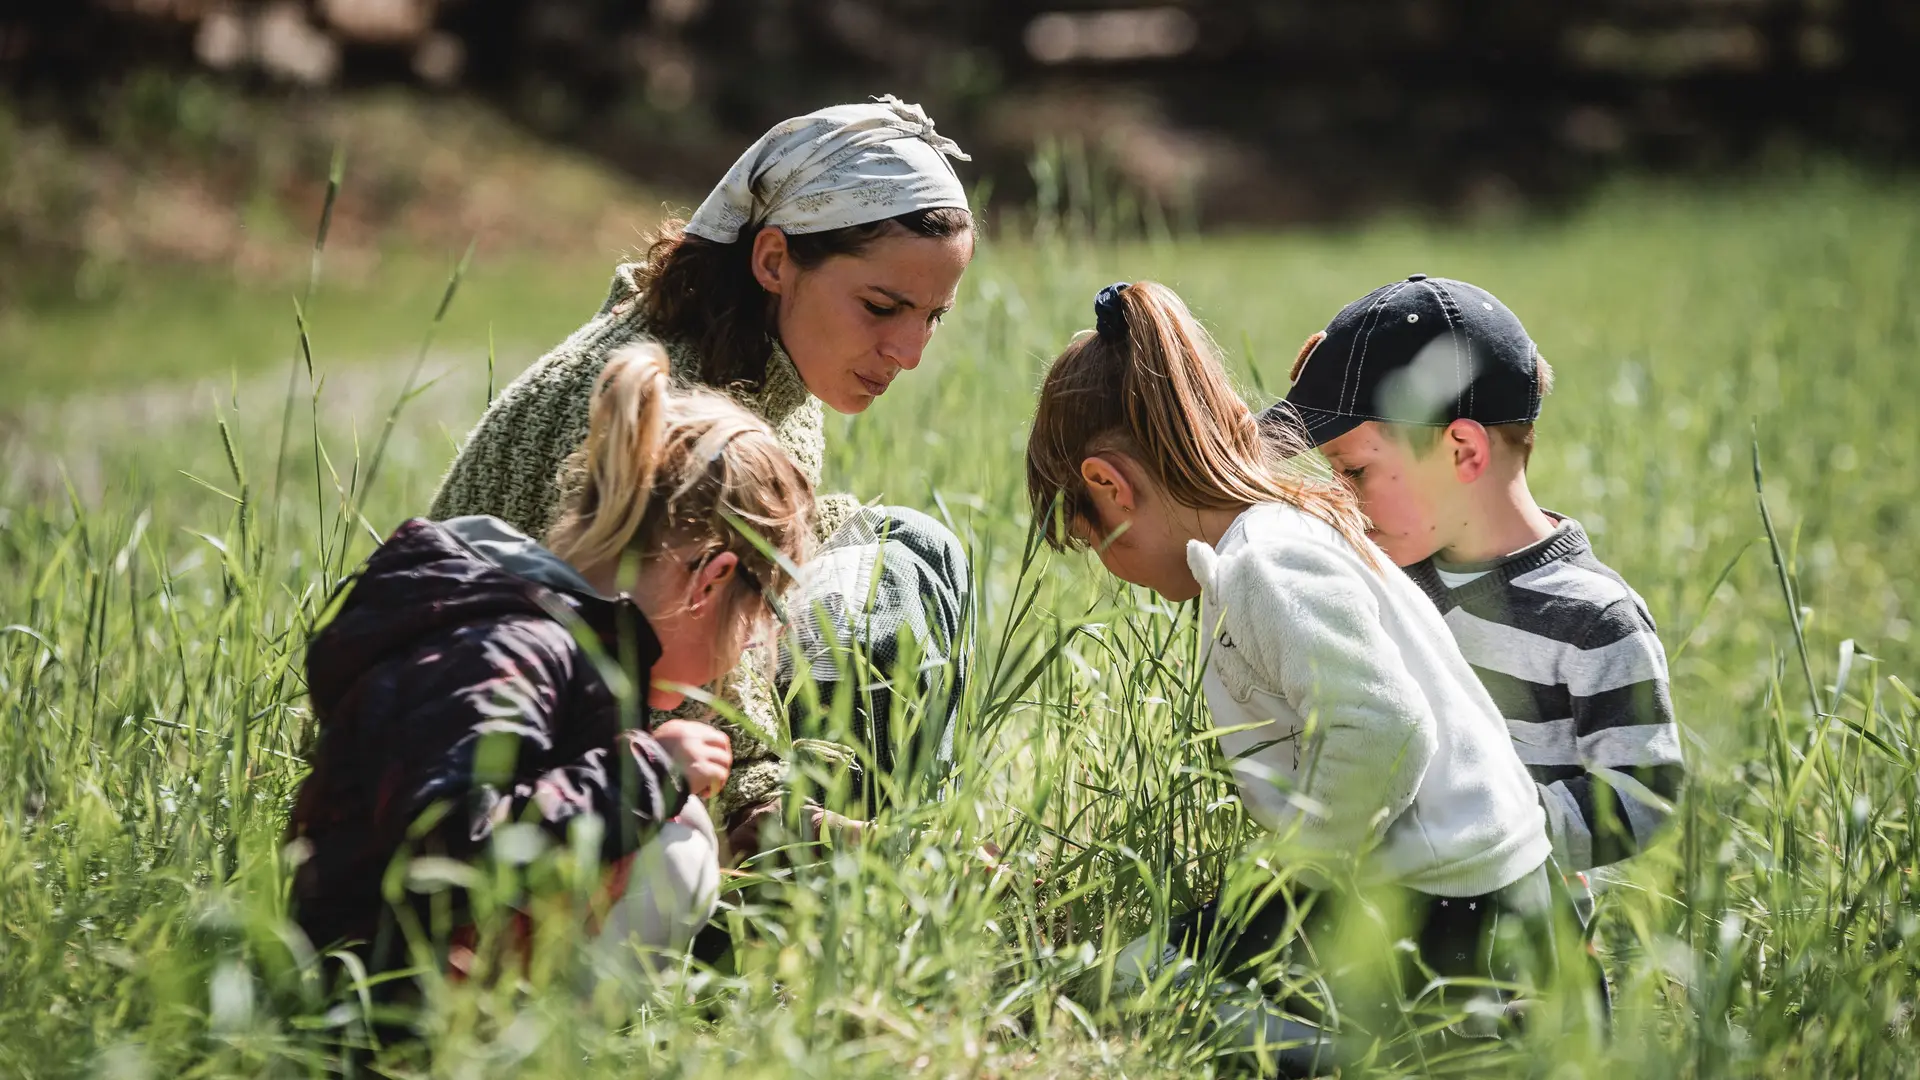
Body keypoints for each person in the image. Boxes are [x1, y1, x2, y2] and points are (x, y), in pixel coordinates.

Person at [1025, 282, 1576, 1065]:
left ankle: (1363, 1057)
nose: (1115, 571)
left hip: (1452, 907)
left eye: (1093, 539)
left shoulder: (1267, 559)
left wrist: (1299, 874)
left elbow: (1385, 729)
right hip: (1488, 893)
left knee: (1139, 992)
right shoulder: (1281, 535)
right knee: (1145, 973)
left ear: (1110, 486)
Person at [426, 95, 976, 857]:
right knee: (886, 571)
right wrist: (777, 813)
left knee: (908, 544)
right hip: (523, 785)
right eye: (883, 306)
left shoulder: (755, 358)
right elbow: (696, 669)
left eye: (931, 317)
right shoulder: (686, 415)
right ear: (775, 260)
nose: (909, 351)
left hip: (633, 722)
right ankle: (840, 874)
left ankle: (900, 846)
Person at [287, 344, 814, 1018]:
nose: (752, 648)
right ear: (711, 581)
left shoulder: (557, 643)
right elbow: (451, 837)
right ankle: (532, 1052)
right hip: (381, 1003)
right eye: (761, 617)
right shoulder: (513, 647)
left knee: (667, 821)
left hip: (399, 968)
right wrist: (645, 772)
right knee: (676, 845)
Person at [1260, 275, 1684, 895]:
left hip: (1521, 952)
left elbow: (1646, 795)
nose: (1343, 502)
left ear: (1463, 450)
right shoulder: (1389, 584)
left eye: (1355, 473)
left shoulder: (1594, 619)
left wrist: (1483, 828)